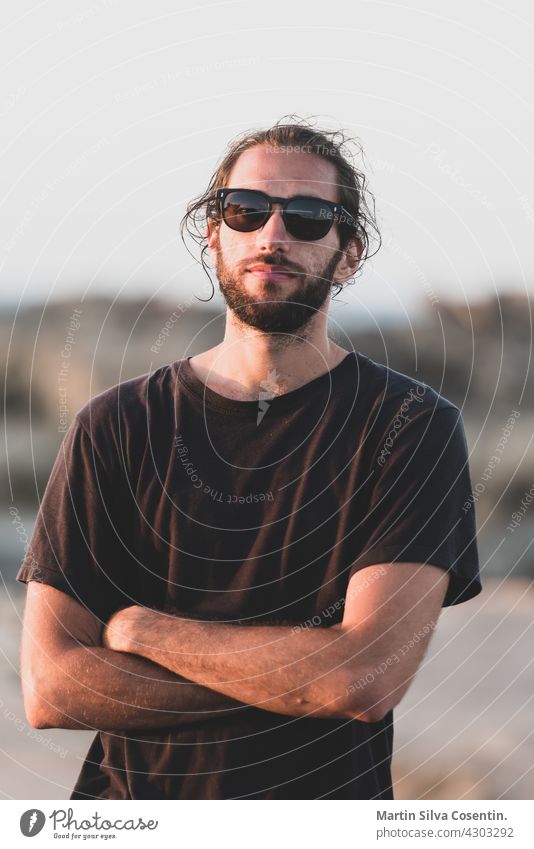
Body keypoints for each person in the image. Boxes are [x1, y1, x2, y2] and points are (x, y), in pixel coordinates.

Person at [18, 117, 481, 800]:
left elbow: (364, 679)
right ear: (214, 237)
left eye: (308, 217)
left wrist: (141, 630)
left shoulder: (411, 428)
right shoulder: (114, 426)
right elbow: (53, 688)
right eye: (247, 210)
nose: (273, 235)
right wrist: (300, 679)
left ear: (349, 253)